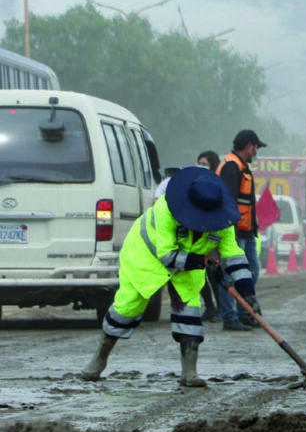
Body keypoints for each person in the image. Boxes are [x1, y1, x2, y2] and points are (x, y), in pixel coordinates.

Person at [81, 167, 259, 387]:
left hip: (190, 261)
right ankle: (100, 357)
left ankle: (189, 372)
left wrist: (248, 293)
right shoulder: (167, 209)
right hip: (147, 255)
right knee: (128, 307)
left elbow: (235, 256)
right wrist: (202, 261)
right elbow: (166, 255)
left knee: (190, 308)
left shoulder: (224, 220)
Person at [215, 129, 266, 331]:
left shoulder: (241, 166)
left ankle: (245, 312)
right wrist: (231, 231)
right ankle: (229, 317)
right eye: (256, 148)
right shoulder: (231, 167)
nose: (256, 152)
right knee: (230, 275)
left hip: (247, 231)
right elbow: (228, 201)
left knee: (251, 272)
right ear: (249, 146)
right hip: (234, 233)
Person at [196, 150, 223, 321]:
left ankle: (222, 307)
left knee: (214, 273)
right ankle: (209, 307)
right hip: (197, 235)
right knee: (198, 274)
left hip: (212, 234)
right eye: (199, 163)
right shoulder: (195, 183)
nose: (201, 167)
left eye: (205, 164)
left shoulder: (218, 184)